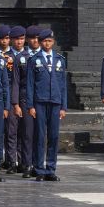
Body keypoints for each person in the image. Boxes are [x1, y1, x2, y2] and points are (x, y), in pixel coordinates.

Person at [28, 28, 67, 182]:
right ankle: (39, 169)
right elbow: (30, 84)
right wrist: (30, 105)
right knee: (39, 135)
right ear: (40, 42)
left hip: (55, 102)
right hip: (40, 101)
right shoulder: (34, 59)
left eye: (50, 41)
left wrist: (64, 106)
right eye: (44, 41)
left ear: (53, 42)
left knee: (54, 136)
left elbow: (63, 85)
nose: (47, 43)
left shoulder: (59, 59)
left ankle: (51, 169)